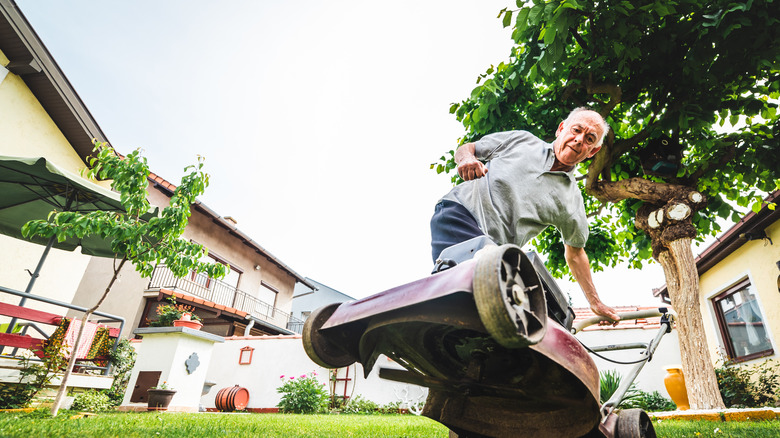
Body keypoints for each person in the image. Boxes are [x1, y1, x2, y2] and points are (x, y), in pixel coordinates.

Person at [430, 107, 620, 323]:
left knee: (493, 313)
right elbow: (468, 148)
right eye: (576, 130)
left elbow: (575, 254)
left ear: (592, 151)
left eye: (589, 139)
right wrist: (465, 160)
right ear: (561, 129)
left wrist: (595, 302)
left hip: (494, 252)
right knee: (469, 291)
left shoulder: (572, 201)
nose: (579, 140)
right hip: (459, 213)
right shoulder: (522, 141)